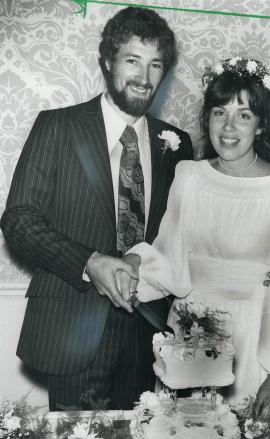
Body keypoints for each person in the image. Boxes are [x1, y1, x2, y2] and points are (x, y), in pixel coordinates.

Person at [0, 7, 193, 411]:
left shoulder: (176, 143)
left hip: (148, 333)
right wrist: (90, 262)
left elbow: (180, 236)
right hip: (72, 329)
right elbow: (18, 220)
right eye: (132, 61)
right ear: (107, 62)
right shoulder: (57, 126)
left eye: (155, 64)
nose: (144, 77)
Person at [124, 57, 270, 421]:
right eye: (219, 112)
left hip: (256, 340)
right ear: (207, 119)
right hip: (191, 333)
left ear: (261, 125)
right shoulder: (190, 178)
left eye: (244, 115)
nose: (229, 127)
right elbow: (169, 259)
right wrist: (131, 266)